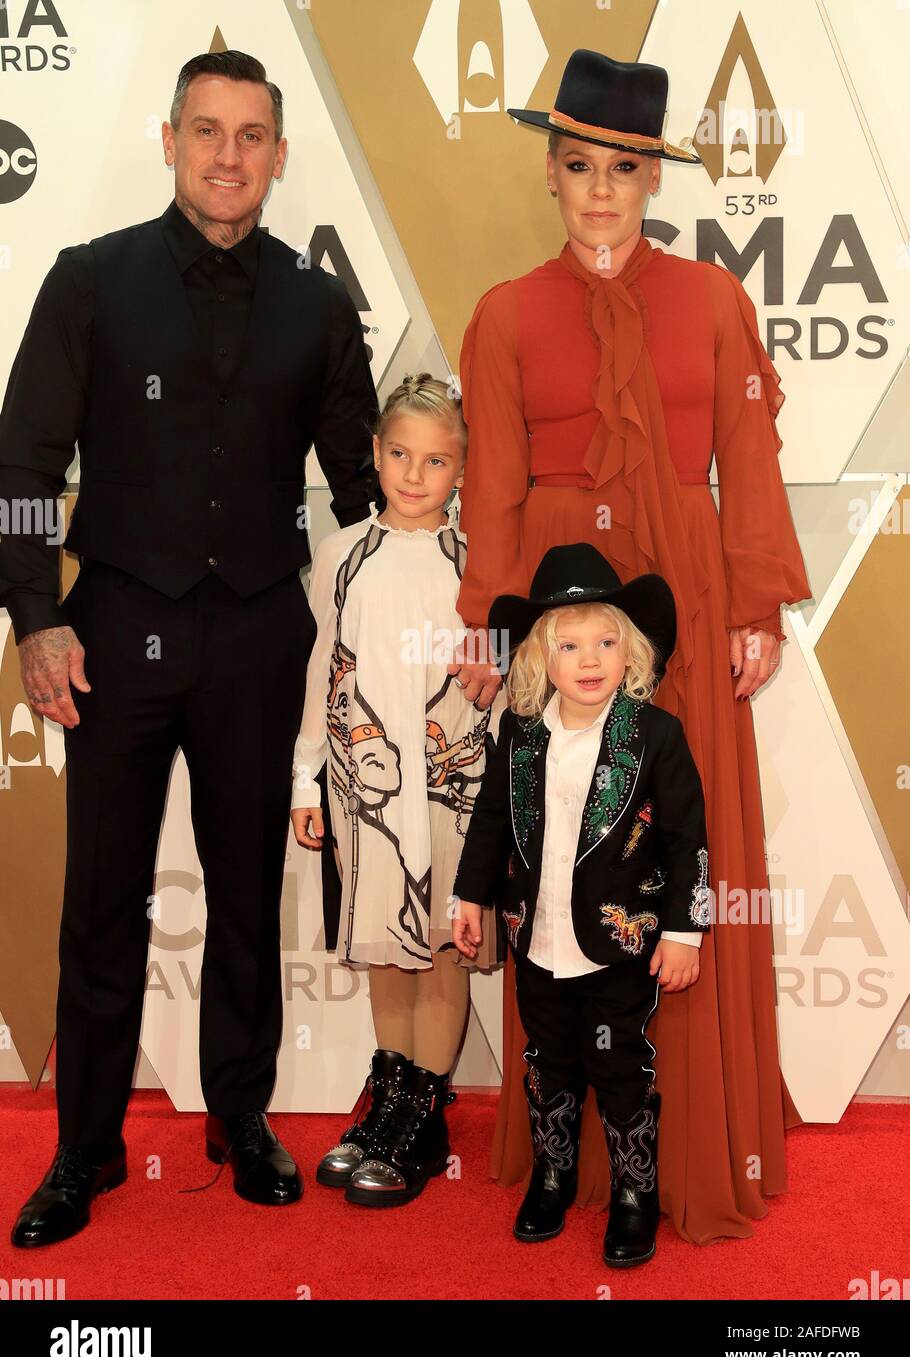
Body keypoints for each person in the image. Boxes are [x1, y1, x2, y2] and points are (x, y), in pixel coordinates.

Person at [1, 50, 381, 1249]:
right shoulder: (89, 282)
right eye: (206, 130)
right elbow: (19, 472)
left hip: (261, 634)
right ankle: (85, 1147)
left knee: (243, 899)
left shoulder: (322, 307)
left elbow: (368, 491)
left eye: (251, 134)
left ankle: (241, 1119)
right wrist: (34, 616)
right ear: (170, 141)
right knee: (100, 900)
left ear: (275, 154)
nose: (228, 154)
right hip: (110, 631)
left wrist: (451, 591)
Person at [446, 49, 813, 1243]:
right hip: (561, 617)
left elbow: (747, 465)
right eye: (578, 165)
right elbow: (494, 488)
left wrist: (756, 603)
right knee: (561, 848)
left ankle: (687, 1145)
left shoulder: (714, 299)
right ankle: (570, 1159)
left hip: (686, 606)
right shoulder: (502, 312)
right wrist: (494, 629)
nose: (600, 190)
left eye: (623, 168)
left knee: (672, 833)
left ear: (651, 176)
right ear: (549, 173)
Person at [452, 543, 709, 1265]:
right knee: (548, 1060)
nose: (590, 658)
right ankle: (554, 1174)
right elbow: (492, 820)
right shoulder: (521, 734)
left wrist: (687, 930)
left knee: (621, 1066)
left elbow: (689, 837)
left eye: (606, 642)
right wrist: (470, 896)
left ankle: (634, 1194)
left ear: (630, 654)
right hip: (536, 941)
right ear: (540, 658)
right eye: (569, 644)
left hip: (620, 947)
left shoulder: (655, 735)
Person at [291, 373, 506, 1207]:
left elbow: (492, 689)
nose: (416, 475)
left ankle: (424, 1116)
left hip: (455, 793)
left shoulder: (477, 564)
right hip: (363, 796)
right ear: (375, 455)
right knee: (386, 949)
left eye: (438, 461)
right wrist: (304, 779)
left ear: (462, 470)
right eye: (401, 455)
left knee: (445, 946)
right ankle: (389, 1104)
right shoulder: (340, 554)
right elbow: (321, 673)